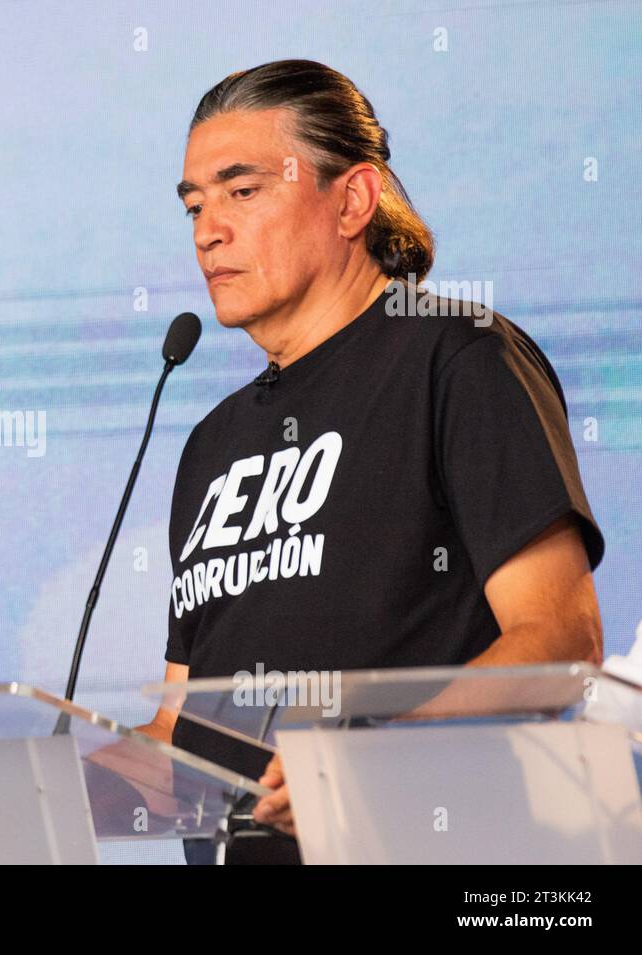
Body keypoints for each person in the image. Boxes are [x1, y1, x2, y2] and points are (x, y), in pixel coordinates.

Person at [135, 61, 605, 864]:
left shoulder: (458, 361)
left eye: (241, 191)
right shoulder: (210, 444)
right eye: (194, 204)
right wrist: (44, 777)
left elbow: (560, 638)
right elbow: (182, 717)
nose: (207, 228)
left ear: (351, 199)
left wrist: (366, 758)